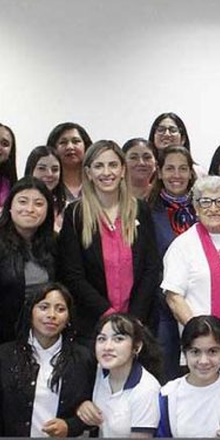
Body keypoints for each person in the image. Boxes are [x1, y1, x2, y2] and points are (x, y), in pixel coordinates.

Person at [56, 140, 161, 341]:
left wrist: (133, 318)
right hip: (92, 326)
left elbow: (151, 267)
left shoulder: (140, 210)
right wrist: (110, 316)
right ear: (89, 173)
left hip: (139, 323)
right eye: (99, 166)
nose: (106, 172)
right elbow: (72, 275)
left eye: (113, 165)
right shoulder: (76, 214)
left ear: (123, 170)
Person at [162, 175, 220, 376]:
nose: (214, 208)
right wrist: (201, 335)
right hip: (203, 349)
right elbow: (174, 298)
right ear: (196, 207)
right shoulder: (182, 246)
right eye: (206, 202)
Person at [0, 283, 98, 438]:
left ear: (68, 317)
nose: (52, 315)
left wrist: (69, 427)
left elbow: (92, 412)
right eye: (44, 307)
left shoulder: (83, 358)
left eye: (60, 309)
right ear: (30, 312)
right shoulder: (4, 355)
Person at [0, 179, 57, 345]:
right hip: (2, 335)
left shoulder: (53, 243)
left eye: (38, 204)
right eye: (22, 202)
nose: (30, 209)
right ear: (9, 207)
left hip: (44, 332)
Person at [148, 145, 198, 379]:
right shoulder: (146, 211)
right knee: (168, 374)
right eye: (169, 168)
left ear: (191, 172)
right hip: (164, 308)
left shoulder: (204, 208)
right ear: (159, 172)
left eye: (182, 168)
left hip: (200, 301)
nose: (176, 175)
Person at [156, 315, 220, 438]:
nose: (203, 361)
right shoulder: (168, 394)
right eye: (195, 352)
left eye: (212, 351)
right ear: (184, 353)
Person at [77, 314, 162, 438]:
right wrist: (83, 405)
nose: (107, 347)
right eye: (102, 339)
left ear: (137, 347)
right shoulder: (98, 371)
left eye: (118, 339)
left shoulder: (147, 389)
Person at [47, 122, 93, 205]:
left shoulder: (96, 181)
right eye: (63, 142)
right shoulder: (48, 183)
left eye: (76, 141)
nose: (70, 147)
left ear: (86, 146)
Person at [23, 145, 65, 228]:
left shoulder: (66, 208)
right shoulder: (17, 204)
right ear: (31, 170)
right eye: (42, 168)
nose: (49, 174)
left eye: (55, 169)